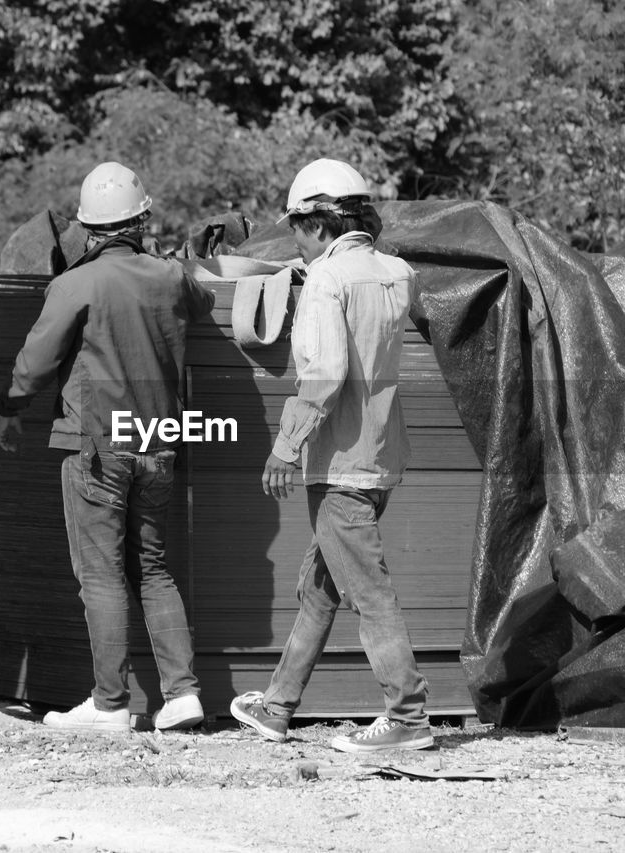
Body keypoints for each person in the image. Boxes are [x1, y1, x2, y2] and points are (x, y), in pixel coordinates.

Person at [0, 162, 215, 734]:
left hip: (99, 446)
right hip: (160, 441)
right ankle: (183, 695)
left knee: (102, 576)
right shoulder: (171, 277)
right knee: (154, 569)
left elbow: (36, 362)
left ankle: (111, 704)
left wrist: (11, 407)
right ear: (143, 220)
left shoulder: (75, 284)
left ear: (88, 231)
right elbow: (202, 301)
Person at [229, 159, 433, 753]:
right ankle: (277, 705)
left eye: (296, 227)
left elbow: (324, 374)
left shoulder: (326, 280)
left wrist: (285, 447)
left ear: (318, 223)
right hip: (382, 451)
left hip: (339, 459)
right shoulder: (397, 272)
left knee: (368, 590)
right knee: (320, 584)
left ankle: (408, 715)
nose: (294, 238)